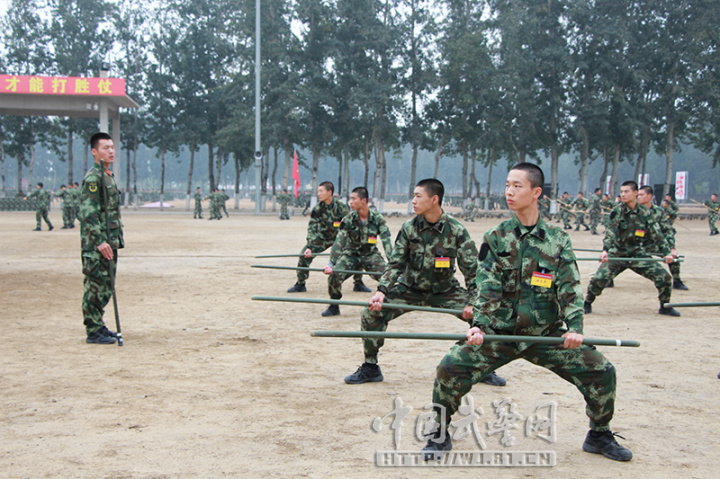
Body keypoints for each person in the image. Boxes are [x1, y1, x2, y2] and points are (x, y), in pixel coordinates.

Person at [422, 163, 631, 462]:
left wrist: (574, 327)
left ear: (536, 193)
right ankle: (439, 432)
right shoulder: (496, 236)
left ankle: (598, 434)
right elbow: (487, 285)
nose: (509, 191)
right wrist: (479, 325)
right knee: (450, 367)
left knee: (602, 371)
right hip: (500, 333)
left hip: (545, 334)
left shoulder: (557, 239)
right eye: (507, 184)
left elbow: (570, 286)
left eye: (517, 185)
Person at [344, 178, 506, 387]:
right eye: (413, 196)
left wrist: (473, 302)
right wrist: (382, 290)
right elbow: (395, 264)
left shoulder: (456, 230)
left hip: (445, 291)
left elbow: (473, 272)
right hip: (409, 289)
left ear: (434, 199)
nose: (413, 201)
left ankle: (481, 365)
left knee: (485, 315)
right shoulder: (409, 228)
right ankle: (370, 367)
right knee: (371, 312)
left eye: (418, 196)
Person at [584, 181, 680, 317]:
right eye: (621, 192)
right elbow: (611, 232)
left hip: (637, 254)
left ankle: (664, 307)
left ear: (635, 193)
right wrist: (605, 250)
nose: (623, 194)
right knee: (599, 279)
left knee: (664, 277)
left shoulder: (645, 213)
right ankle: (587, 303)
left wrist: (667, 253)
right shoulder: (617, 211)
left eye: (626, 191)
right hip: (617, 254)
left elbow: (657, 234)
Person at [79, 132, 124, 344]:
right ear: (94, 152)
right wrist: (99, 240)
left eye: (112, 147)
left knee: (106, 286)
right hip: (97, 245)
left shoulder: (106, 175)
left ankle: (99, 324)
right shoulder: (93, 179)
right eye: (106, 147)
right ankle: (93, 330)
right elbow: (88, 213)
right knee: (95, 286)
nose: (111, 151)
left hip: (109, 242)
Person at [321, 187, 393, 316]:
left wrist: (393, 265)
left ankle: (387, 305)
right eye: (350, 198)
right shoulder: (348, 219)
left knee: (387, 277)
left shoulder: (378, 219)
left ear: (364, 200)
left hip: (370, 255)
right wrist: (332, 263)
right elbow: (339, 241)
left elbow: (387, 242)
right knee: (334, 277)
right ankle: (334, 306)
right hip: (351, 254)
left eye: (354, 199)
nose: (350, 202)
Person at [287, 181, 369, 293]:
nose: (319, 194)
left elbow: (350, 225)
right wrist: (310, 246)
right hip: (323, 238)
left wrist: (353, 241)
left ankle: (358, 283)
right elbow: (312, 228)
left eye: (321, 191)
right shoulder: (317, 209)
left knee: (357, 253)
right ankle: (301, 283)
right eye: (318, 191)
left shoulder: (341, 207)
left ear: (329, 192)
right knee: (304, 255)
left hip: (341, 238)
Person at [638, 186, 688, 290]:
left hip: (654, 244)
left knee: (675, 258)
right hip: (636, 245)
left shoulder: (659, 211)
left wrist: (671, 248)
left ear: (649, 196)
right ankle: (607, 279)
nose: (639, 197)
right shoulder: (633, 211)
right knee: (617, 257)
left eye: (641, 195)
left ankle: (677, 281)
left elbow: (667, 231)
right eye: (638, 195)